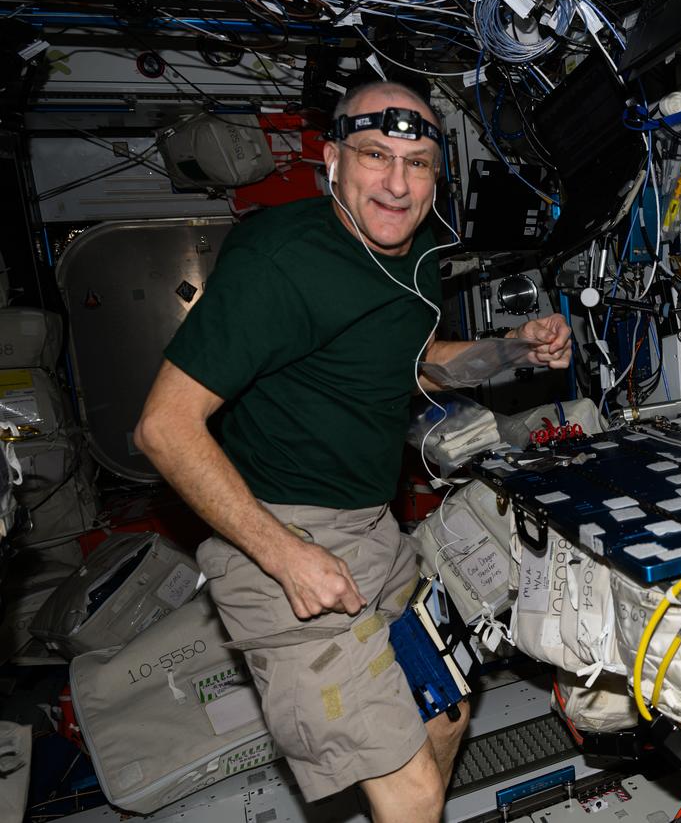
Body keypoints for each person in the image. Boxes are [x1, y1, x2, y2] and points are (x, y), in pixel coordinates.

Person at [134, 80, 571, 823]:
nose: (397, 184)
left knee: (445, 715)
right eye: (376, 155)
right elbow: (163, 428)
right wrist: (285, 555)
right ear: (333, 159)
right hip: (276, 537)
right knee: (410, 790)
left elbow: (417, 360)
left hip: (373, 531)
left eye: (420, 162)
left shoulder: (421, 248)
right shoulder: (280, 258)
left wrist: (511, 351)